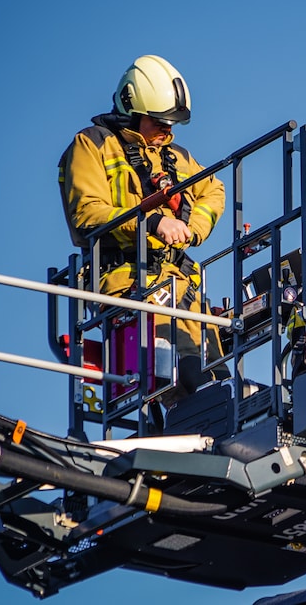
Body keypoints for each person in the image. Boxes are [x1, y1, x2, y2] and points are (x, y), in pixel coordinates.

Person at [58, 54, 225, 406]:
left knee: (217, 374)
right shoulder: (92, 145)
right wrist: (152, 222)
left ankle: (215, 409)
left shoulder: (176, 156)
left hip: (180, 281)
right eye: (160, 122)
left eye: (172, 123)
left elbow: (213, 190)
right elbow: (88, 213)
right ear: (132, 112)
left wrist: (192, 229)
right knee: (175, 370)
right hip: (123, 278)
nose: (168, 130)